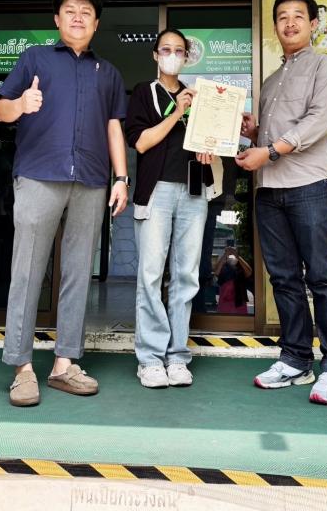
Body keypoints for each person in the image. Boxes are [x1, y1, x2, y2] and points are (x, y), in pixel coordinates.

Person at [0, 0, 129, 406]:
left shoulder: (107, 72)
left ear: (96, 23)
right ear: (57, 19)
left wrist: (121, 178)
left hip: (90, 180)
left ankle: (64, 364)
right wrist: (22, 104)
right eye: (70, 10)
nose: (77, 17)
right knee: (27, 272)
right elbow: (0, 110)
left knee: (77, 273)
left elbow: (113, 127)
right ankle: (21, 368)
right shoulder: (34, 58)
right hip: (39, 175)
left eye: (86, 12)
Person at [236, 0, 327, 405]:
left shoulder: (325, 67)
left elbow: (318, 121)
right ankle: (296, 359)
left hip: (310, 186)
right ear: (274, 26)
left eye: (298, 16)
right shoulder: (270, 81)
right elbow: (273, 135)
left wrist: (268, 151)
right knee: (284, 279)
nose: (290, 23)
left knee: (323, 277)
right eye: (282, 17)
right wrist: (254, 132)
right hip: (270, 190)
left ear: (313, 24)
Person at [125, 29, 214, 388]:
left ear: (187, 57)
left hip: (193, 191)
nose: (173, 55)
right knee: (150, 276)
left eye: (179, 50)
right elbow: (141, 142)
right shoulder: (143, 93)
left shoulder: (199, 96)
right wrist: (178, 111)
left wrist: (209, 148)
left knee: (186, 276)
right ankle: (150, 359)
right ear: (155, 55)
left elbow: (208, 141)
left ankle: (177, 356)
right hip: (157, 191)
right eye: (167, 49)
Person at [215, 246, 252, 314]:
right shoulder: (223, 268)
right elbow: (216, 271)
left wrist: (237, 256)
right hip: (224, 306)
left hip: (240, 306)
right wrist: (225, 254)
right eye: (230, 253)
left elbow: (249, 272)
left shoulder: (241, 268)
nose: (231, 254)